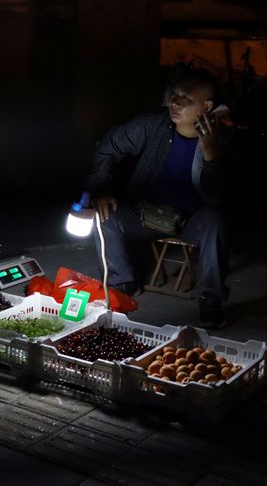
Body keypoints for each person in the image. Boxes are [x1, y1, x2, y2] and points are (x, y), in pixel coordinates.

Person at [85, 67, 233, 328]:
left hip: (191, 219)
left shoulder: (223, 141)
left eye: (186, 99)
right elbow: (109, 145)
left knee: (215, 219)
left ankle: (212, 299)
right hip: (146, 212)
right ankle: (121, 283)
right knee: (104, 213)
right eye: (173, 95)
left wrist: (210, 155)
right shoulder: (152, 123)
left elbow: (221, 196)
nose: (175, 103)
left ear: (207, 106)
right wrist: (101, 187)